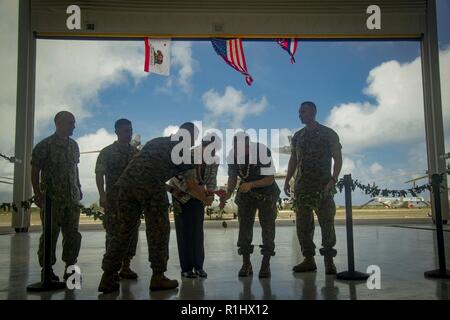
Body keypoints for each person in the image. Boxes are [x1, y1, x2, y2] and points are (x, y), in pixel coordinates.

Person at [98, 122, 213, 293]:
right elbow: (191, 185)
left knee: (122, 231)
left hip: (126, 186)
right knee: (158, 231)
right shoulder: (184, 153)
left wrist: (171, 189)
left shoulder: (156, 141)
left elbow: (144, 166)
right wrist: (205, 199)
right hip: (151, 187)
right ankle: (158, 276)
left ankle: (107, 276)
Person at [284, 101, 343, 274]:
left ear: (313, 112)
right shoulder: (298, 136)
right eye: (299, 111)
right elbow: (293, 159)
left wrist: (333, 179)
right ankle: (308, 259)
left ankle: (329, 261)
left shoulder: (328, 133)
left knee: (327, 222)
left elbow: (337, 158)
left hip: (323, 187)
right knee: (303, 225)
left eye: (303, 111)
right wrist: (287, 180)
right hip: (302, 188)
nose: (300, 114)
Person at [31, 111, 82, 282]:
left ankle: (71, 270)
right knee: (50, 235)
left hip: (72, 199)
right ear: (59, 123)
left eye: (73, 123)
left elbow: (75, 169)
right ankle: (47, 270)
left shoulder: (74, 145)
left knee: (72, 235)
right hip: (52, 200)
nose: (74, 126)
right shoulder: (44, 145)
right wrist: (37, 193)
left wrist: (79, 188)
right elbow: (35, 170)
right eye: (70, 123)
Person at [221, 133, 280, 278]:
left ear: (248, 145)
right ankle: (246, 264)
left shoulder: (261, 151)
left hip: (267, 193)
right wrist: (227, 194)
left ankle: (266, 264)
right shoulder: (232, 155)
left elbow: (270, 178)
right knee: (244, 228)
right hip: (246, 194)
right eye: (235, 148)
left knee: (268, 228)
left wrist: (251, 184)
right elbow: (232, 177)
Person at [169, 134, 220, 279]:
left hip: (199, 196)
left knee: (197, 232)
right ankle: (186, 269)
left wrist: (210, 195)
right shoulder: (187, 155)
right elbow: (182, 183)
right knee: (184, 232)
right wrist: (203, 197)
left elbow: (211, 180)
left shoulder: (214, 160)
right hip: (180, 196)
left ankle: (199, 267)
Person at [95, 119, 140, 280]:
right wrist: (102, 195)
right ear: (117, 132)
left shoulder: (136, 153)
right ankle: (112, 270)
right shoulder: (107, 152)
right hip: (114, 200)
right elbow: (99, 174)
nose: (128, 134)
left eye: (130, 130)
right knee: (113, 234)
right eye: (125, 131)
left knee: (132, 234)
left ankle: (126, 266)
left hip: (133, 201)